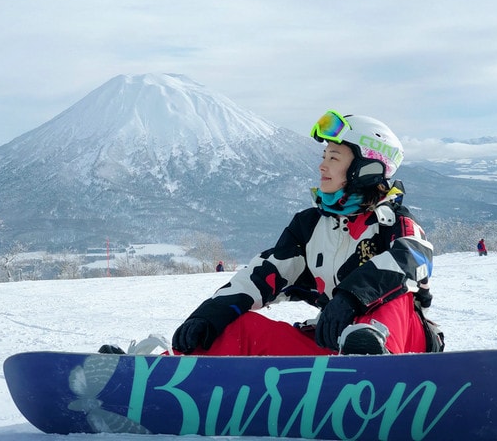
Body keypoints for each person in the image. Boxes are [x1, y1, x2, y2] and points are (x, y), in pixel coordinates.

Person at [170, 111, 442, 356]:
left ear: (366, 168)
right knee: (239, 327)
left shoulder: (392, 221)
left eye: (334, 158)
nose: (322, 166)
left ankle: (373, 368)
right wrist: (208, 316)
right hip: (336, 347)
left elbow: (415, 258)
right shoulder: (309, 225)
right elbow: (266, 274)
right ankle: (166, 372)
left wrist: (350, 298)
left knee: (396, 294)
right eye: (324, 157)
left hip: (405, 346)